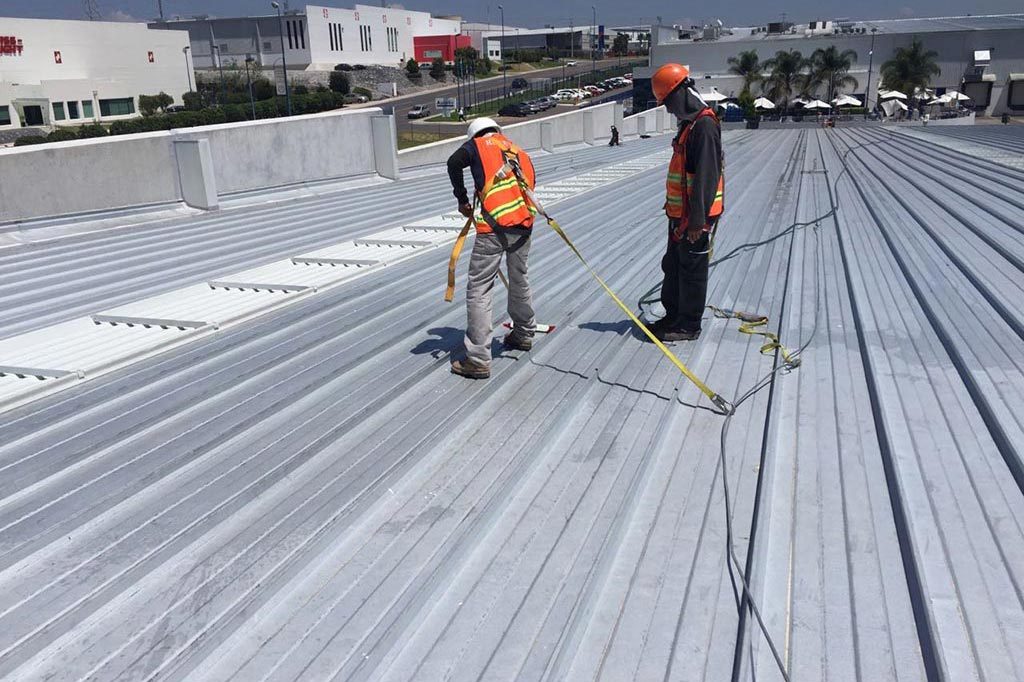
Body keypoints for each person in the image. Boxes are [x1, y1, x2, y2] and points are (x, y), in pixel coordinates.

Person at [446, 117, 538, 379]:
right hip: (523, 226)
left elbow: (453, 162)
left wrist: (462, 199)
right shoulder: (520, 153)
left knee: (479, 288)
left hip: (493, 229)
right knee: (519, 279)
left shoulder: (478, 145)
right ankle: (523, 334)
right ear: (497, 131)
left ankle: (478, 359)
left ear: (475, 134)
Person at [648, 63, 723, 342]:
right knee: (673, 266)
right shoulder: (689, 126)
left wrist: (697, 221)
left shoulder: (704, 126)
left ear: (680, 93)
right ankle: (673, 316)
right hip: (680, 216)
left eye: (668, 102)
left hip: (694, 219)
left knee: (692, 271)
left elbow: (707, 176)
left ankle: (688, 325)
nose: (668, 110)